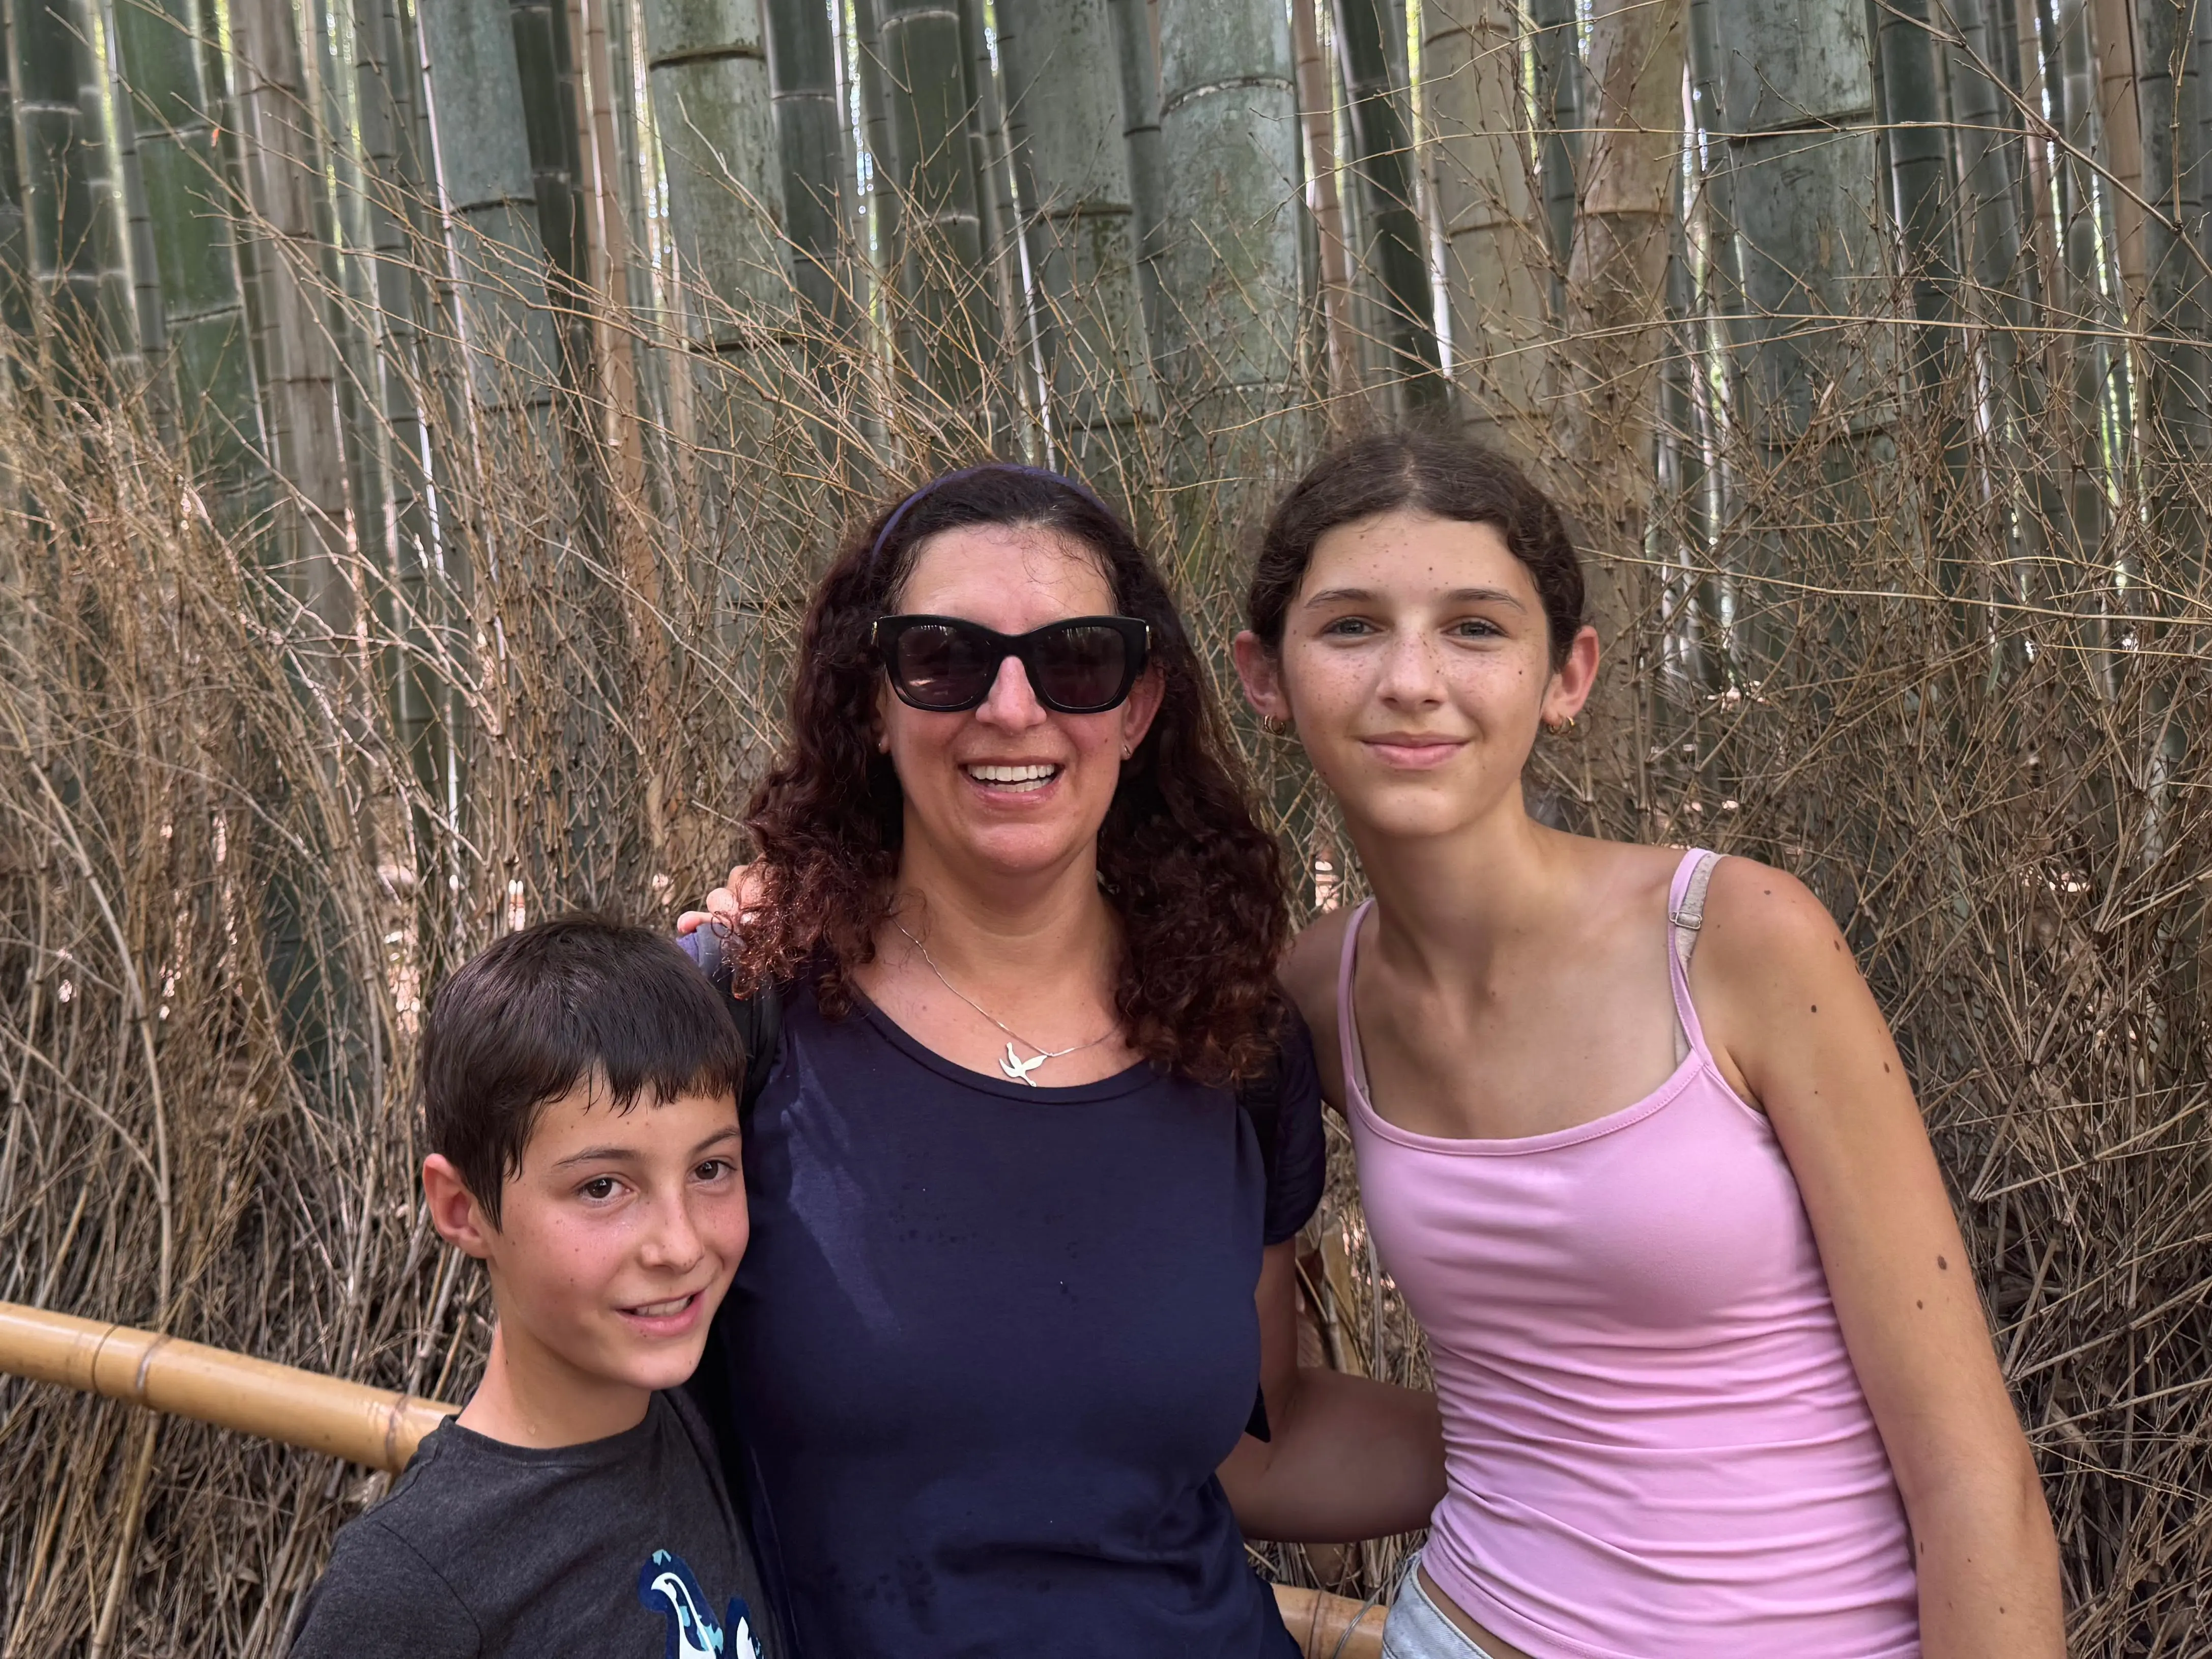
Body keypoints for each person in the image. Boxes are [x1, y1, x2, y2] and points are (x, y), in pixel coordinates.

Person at [1232, 431, 2067, 1659]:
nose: (1411, 678)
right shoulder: (1315, 996)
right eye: (1351, 626)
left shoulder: (1735, 941)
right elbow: (1261, 1438)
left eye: (1474, 628)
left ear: (1565, 675)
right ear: (1265, 676)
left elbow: (1972, 1478)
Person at [677, 463, 1443, 1656]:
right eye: (944, 657)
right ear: (871, 700)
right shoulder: (738, 1018)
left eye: (1076, 660)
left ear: (1137, 708)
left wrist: (1587, 1449)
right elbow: (578, 1419)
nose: (1011, 707)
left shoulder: (1230, 1039)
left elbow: (1258, 1443)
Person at [290, 916, 780, 1659]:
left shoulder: (698, 1415)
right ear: (463, 1210)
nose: (681, 1246)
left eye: (710, 1169)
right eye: (603, 1187)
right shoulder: (413, 1593)